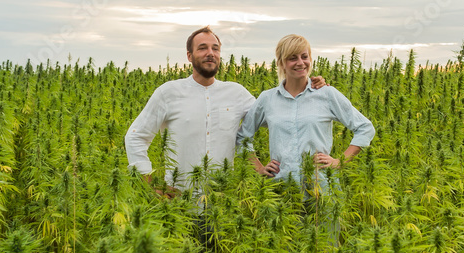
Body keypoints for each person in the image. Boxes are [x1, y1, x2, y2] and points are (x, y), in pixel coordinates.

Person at [125, 26, 326, 198]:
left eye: (215, 48)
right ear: (189, 56)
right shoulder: (168, 93)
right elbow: (135, 137)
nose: (210, 53)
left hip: (223, 201)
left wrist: (307, 86)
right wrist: (150, 182)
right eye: (202, 48)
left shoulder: (236, 93)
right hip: (178, 201)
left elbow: (281, 116)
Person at [236, 34, 374, 194]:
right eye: (292, 58)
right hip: (281, 189)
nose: (300, 63)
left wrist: (339, 161)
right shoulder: (268, 99)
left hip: (320, 189)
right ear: (281, 63)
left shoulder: (326, 94)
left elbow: (365, 128)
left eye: (304, 56)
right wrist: (258, 167)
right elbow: (243, 136)